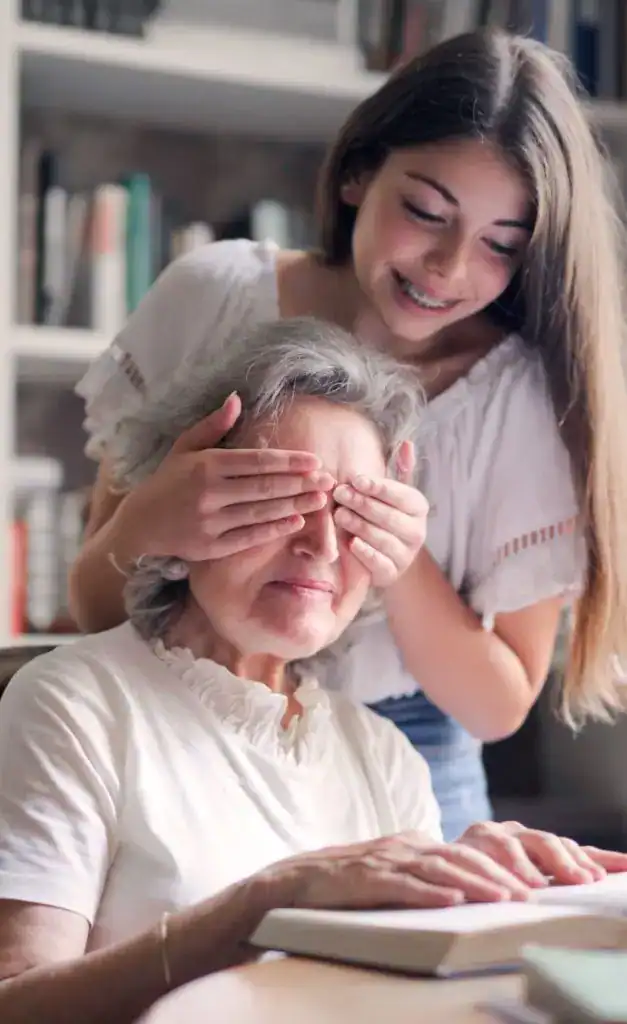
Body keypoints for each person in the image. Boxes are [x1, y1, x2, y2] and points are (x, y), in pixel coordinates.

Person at [69, 30, 627, 840]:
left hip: (412, 759)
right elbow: (91, 611)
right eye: (425, 212)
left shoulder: (522, 400)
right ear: (359, 172)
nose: (446, 266)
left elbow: (498, 706)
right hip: (183, 725)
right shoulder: (212, 296)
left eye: (499, 245)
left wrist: (395, 559)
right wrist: (150, 522)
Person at [2, 320, 626, 1024]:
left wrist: (488, 893)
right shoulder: (72, 706)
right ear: (189, 502)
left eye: (355, 512)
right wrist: (268, 900)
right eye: (280, 499)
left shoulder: (384, 757)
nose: (322, 544)